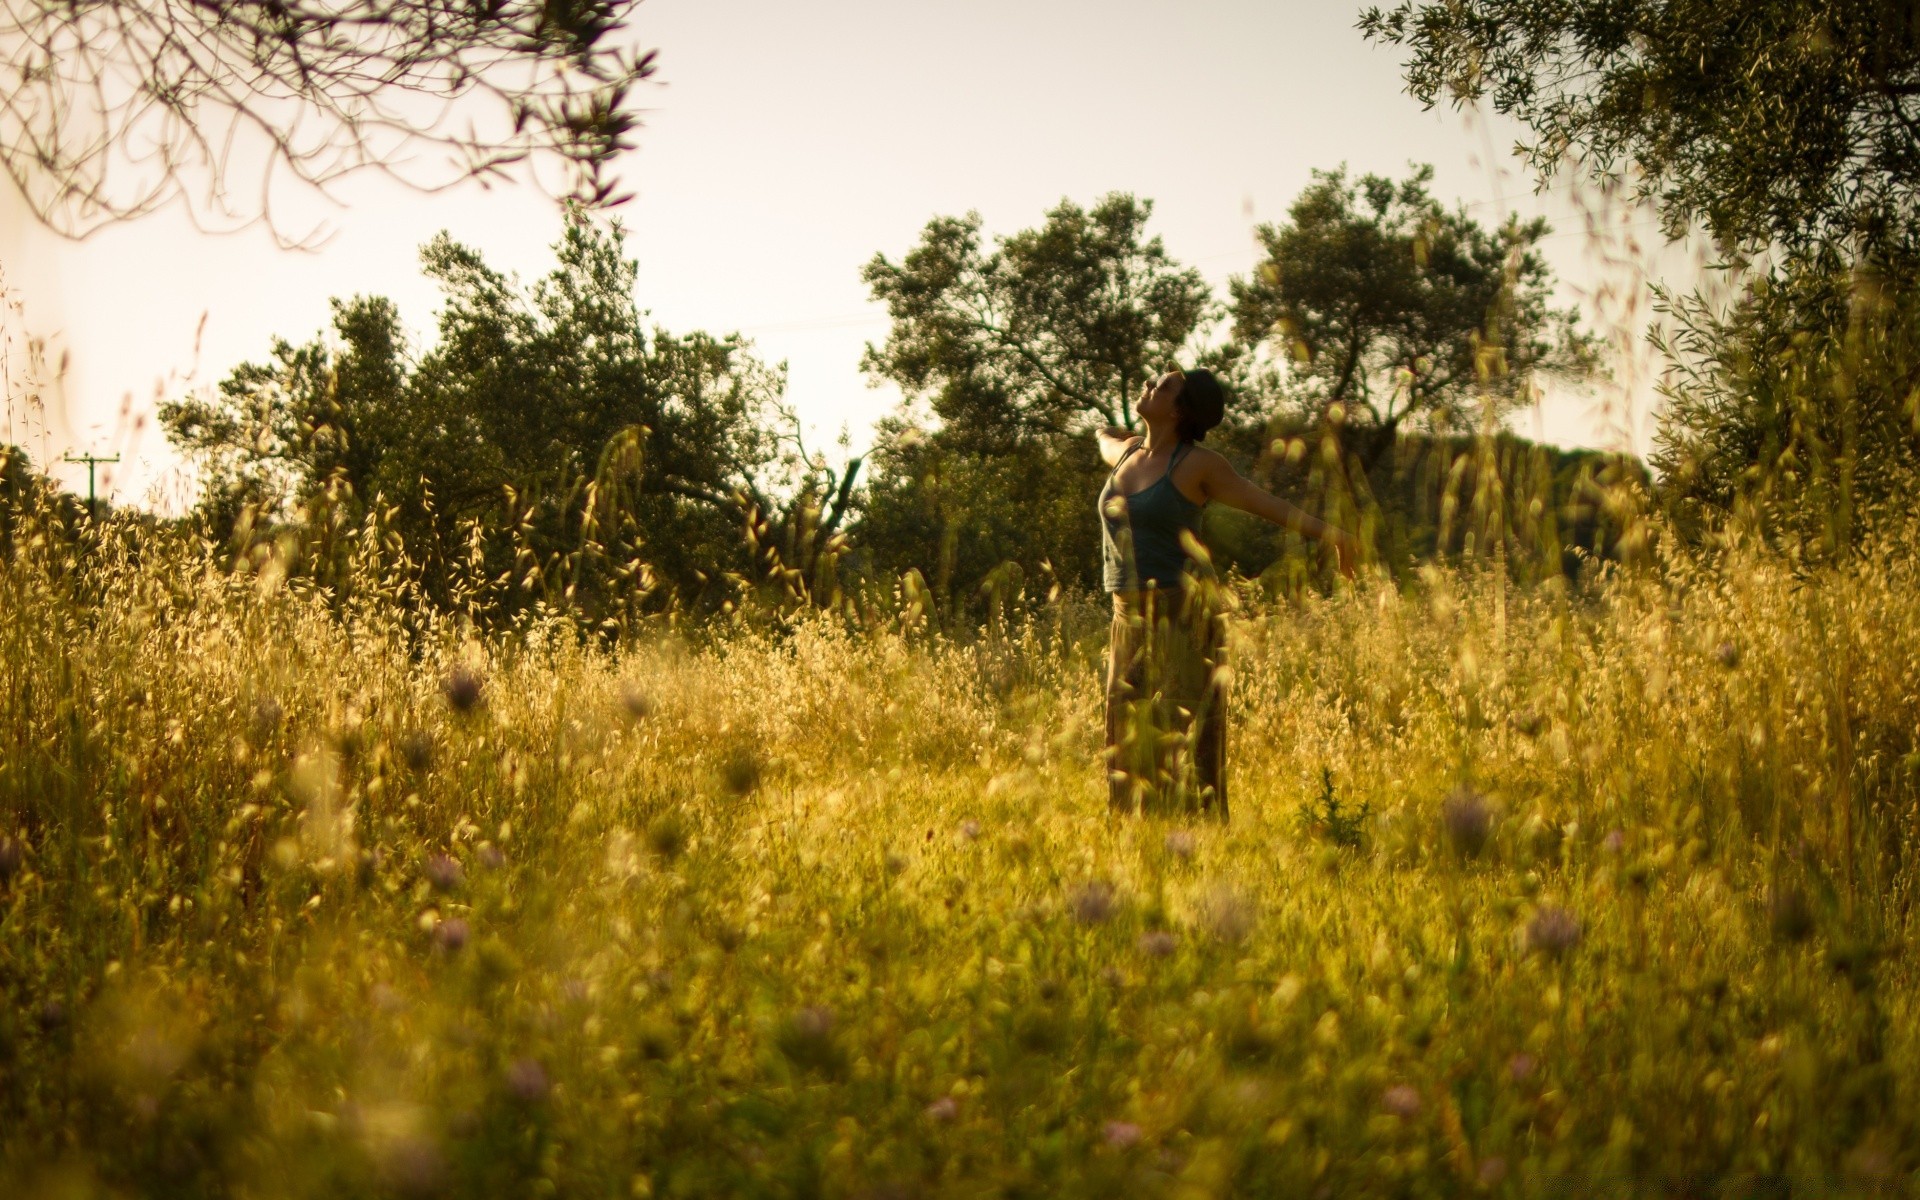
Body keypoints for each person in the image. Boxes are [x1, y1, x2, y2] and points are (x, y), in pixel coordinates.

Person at [1098, 366, 1357, 819]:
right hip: (1127, 616)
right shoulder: (1125, 453)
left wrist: (1335, 536)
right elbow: (1103, 437)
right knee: (1125, 734)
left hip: (1183, 614)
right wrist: (1109, 432)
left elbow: (1267, 504)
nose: (1148, 385)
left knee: (1181, 735)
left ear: (1180, 410)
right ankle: (1135, 838)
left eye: (1161, 386)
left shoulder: (1199, 465)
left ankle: (1196, 837)